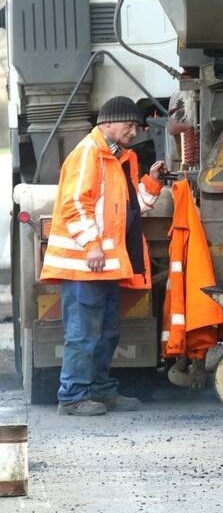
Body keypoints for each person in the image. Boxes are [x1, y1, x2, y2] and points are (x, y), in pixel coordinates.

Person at [40, 96, 167, 416]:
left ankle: (100, 390)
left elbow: (129, 208)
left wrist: (152, 181)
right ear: (107, 124)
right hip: (85, 266)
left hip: (106, 267)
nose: (135, 132)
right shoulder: (88, 154)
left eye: (137, 127)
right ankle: (71, 397)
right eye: (130, 125)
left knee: (107, 332)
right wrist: (92, 245)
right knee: (82, 334)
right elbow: (74, 205)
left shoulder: (122, 157)